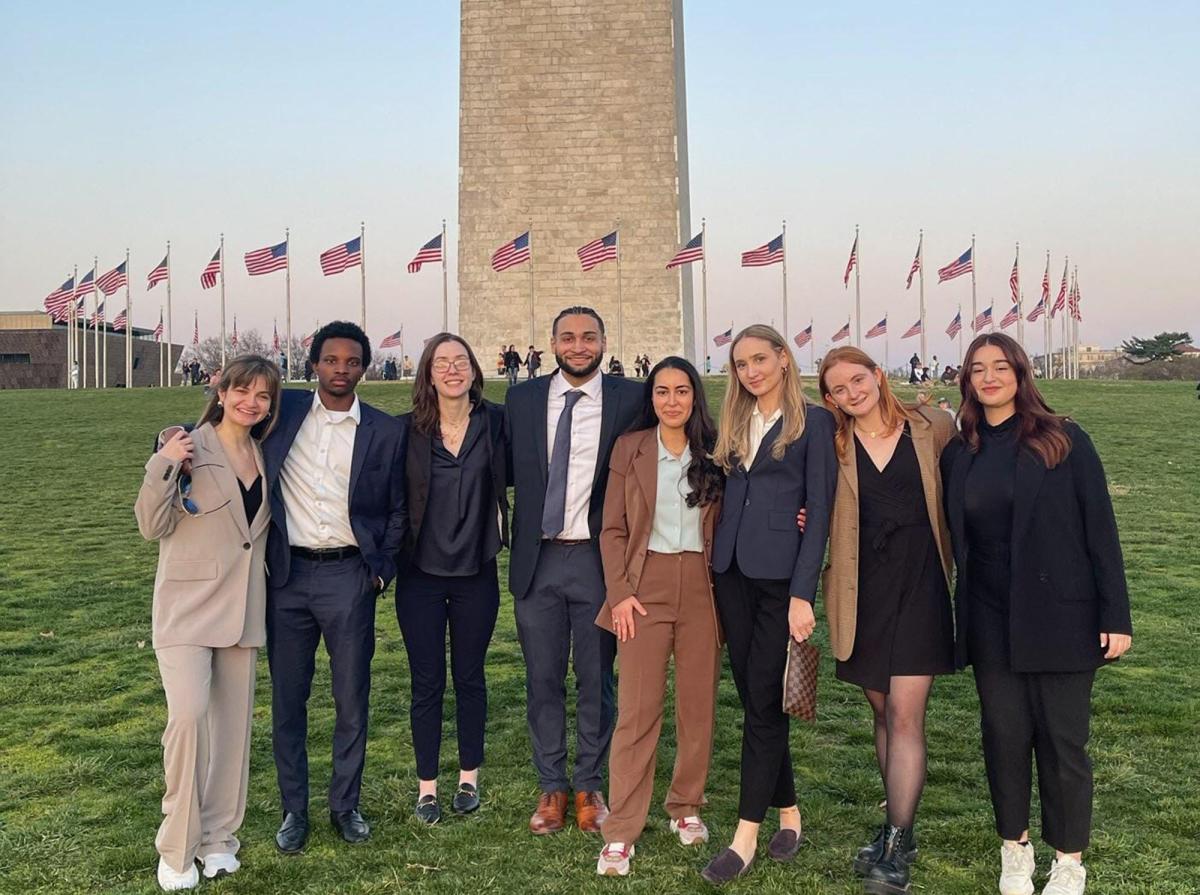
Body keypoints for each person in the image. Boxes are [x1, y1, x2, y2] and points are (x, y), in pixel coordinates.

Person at [941, 333, 1132, 895]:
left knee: (1062, 741)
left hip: (1062, 616)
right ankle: (1014, 848)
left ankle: (1068, 858)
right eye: (978, 369)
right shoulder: (961, 451)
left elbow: (1101, 530)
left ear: (1021, 373)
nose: (990, 377)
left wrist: (1115, 615)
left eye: (1001, 366)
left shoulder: (1063, 439)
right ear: (968, 381)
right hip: (989, 615)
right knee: (1003, 735)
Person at [136, 355, 281, 891]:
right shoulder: (188, 445)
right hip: (186, 610)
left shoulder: (265, 453)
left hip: (243, 610)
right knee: (190, 719)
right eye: (242, 391)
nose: (251, 402)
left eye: (263, 395)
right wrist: (164, 463)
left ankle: (220, 837)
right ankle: (177, 846)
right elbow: (151, 526)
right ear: (221, 391)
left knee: (231, 733)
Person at [262, 321, 407, 854]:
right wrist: (169, 435)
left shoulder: (385, 431)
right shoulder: (285, 413)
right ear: (314, 363)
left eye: (351, 361)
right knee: (288, 699)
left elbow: (398, 508)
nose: (340, 370)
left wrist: (381, 568)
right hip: (288, 577)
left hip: (350, 577)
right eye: (330, 360)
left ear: (364, 368)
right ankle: (293, 811)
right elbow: (224, 416)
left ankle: (345, 806)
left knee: (351, 698)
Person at [700, 324, 837, 885]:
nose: (751, 371)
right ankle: (790, 813)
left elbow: (820, 509)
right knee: (758, 698)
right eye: (741, 364)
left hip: (781, 580)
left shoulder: (814, 422)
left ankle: (745, 835)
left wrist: (804, 592)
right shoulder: (735, 420)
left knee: (762, 703)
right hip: (731, 572)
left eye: (760, 359)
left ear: (783, 358)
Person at [817, 347, 957, 894]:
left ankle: (897, 842)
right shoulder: (833, 446)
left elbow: (987, 440)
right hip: (862, 593)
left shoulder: (931, 427)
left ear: (877, 375)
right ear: (830, 399)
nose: (853, 392)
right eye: (840, 389)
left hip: (920, 586)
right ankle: (899, 827)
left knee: (904, 715)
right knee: (880, 711)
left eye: (859, 379)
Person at [504, 306, 642, 835]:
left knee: (595, 677)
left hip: (597, 559)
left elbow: (684, 440)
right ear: (553, 343)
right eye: (568, 337)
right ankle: (551, 786)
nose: (578, 345)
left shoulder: (630, 399)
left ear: (604, 342)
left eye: (588, 337)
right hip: (536, 560)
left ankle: (587, 782)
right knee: (542, 678)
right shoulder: (521, 399)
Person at [594, 357, 725, 876]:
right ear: (651, 398)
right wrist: (621, 592)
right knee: (637, 710)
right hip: (643, 589)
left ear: (695, 397)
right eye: (663, 391)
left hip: (701, 586)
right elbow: (612, 530)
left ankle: (685, 806)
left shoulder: (714, 451)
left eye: (683, 391)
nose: (673, 400)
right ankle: (621, 830)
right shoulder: (631, 449)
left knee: (698, 707)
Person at [394, 333, 508, 824]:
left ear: (474, 370)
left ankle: (468, 779)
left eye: (462, 359)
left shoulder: (499, 424)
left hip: (475, 572)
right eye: (442, 362)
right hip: (419, 575)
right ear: (428, 374)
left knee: (469, 677)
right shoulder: (405, 432)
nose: (453, 369)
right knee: (427, 682)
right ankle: (426, 788)